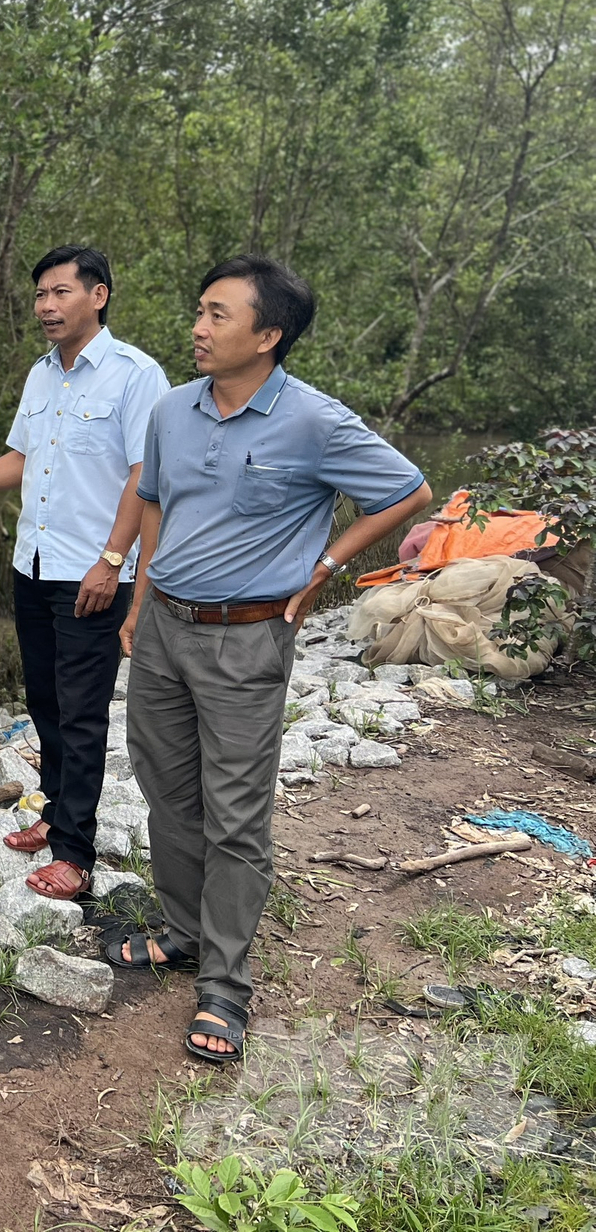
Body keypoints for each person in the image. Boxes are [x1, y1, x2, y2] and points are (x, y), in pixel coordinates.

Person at [113, 254, 433, 1064]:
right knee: (166, 788)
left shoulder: (314, 422)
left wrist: (325, 567)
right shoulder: (172, 411)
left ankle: (225, 983)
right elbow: (153, 504)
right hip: (163, 631)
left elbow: (408, 494)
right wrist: (141, 599)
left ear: (269, 335)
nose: (198, 327)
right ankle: (183, 933)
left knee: (236, 811)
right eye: (199, 309)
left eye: (218, 315)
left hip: (246, 638)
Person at [0, 245, 169, 901]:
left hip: (93, 572)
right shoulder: (41, 376)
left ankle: (75, 854)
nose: (47, 306)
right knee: (46, 703)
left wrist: (111, 561)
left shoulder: (135, 376)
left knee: (81, 714)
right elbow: (21, 459)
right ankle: (55, 815)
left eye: (61, 292)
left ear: (98, 295)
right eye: (41, 295)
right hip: (34, 565)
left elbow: (145, 476)